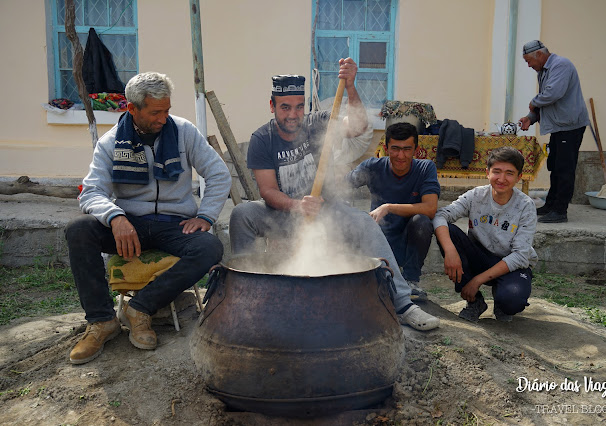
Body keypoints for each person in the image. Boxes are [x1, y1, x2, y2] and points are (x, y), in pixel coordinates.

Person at [229, 58, 439, 331]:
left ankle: (401, 303)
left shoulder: (318, 123)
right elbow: (267, 190)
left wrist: (351, 86)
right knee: (241, 213)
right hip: (282, 214)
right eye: (285, 107)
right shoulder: (262, 139)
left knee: (364, 221)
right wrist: (296, 205)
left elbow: (358, 126)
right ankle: (243, 294)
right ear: (272, 106)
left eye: (299, 106)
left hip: (327, 213)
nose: (293, 114)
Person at [65, 72, 232, 364]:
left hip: (174, 224)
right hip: (131, 224)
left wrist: (205, 215)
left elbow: (218, 174)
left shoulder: (184, 131)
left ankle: (140, 309)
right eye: (155, 112)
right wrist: (116, 218)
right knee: (79, 230)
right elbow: (91, 192)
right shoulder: (110, 142)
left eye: (166, 109)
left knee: (209, 247)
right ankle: (102, 320)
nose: (163, 118)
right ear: (132, 109)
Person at [433, 147, 538, 322]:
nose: (502, 179)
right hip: (479, 257)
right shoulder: (476, 195)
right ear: (487, 172)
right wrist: (450, 251)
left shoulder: (526, 205)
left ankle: (501, 298)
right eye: (496, 171)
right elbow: (441, 215)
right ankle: (475, 302)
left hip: (510, 263)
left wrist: (477, 281)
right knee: (448, 232)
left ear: (519, 177)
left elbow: (520, 256)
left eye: (509, 173)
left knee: (512, 300)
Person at [345, 122, 440, 302]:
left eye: (407, 149)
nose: (400, 155)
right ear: (386, 148)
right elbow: (340, 186)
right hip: (377, 241)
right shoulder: (372, 166)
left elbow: (430, 208)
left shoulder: (425, 169)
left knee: (422, 221)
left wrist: (388, 207)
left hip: (407, 242)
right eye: (395, 149)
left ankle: (411, 280)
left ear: (416, 150)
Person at [518, 40, 590, 224]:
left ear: (540, 55)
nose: (529, 65)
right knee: (555, 166)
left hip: (570, 125)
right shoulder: (543, 71)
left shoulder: (561, 65)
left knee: (564, 168)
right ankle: (550, 205)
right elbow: (547, 103)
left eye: (529, 61)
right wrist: (530, 117)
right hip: (559, 126)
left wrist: (533, 102)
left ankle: (560, 211)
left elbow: (552, 93)